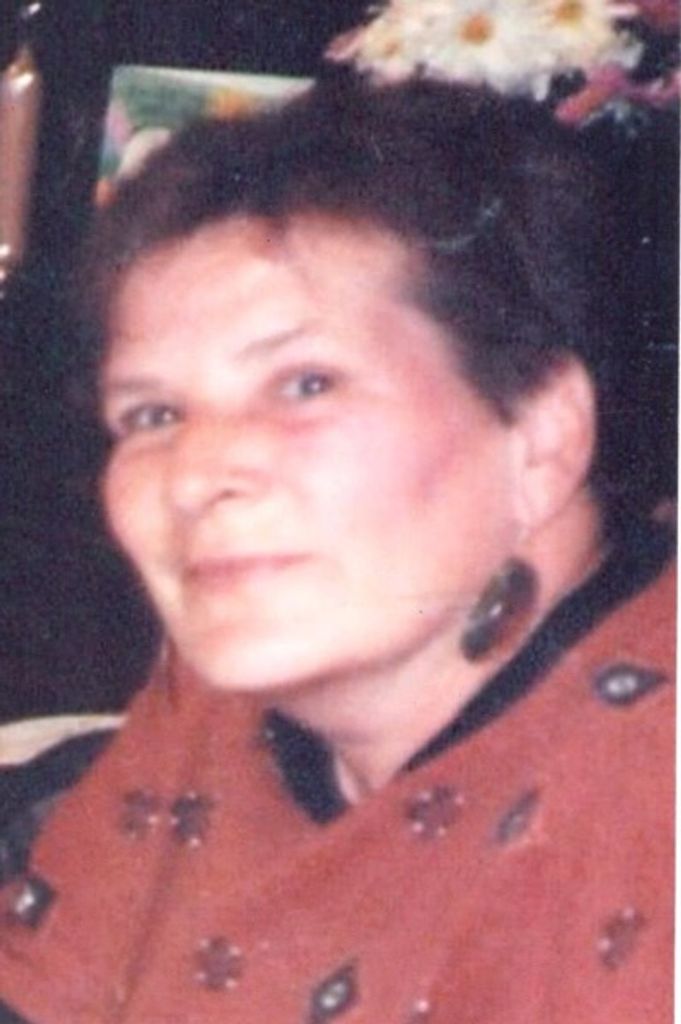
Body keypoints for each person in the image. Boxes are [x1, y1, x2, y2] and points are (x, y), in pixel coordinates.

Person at [0, 71, 674, 1023]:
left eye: (305, 385)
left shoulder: (649, 801)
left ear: (539, 434)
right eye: (151, 415)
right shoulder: (222, 709)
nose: (195, 474)